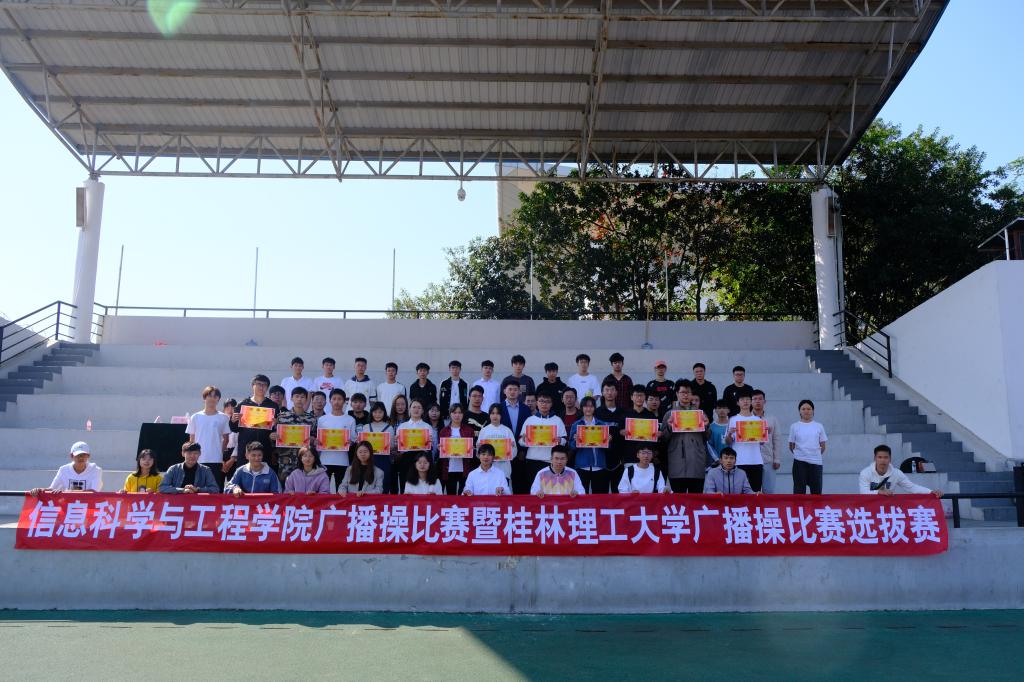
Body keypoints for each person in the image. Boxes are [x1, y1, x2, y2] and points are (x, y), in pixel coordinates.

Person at [661, 381, 708, 493]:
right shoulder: (669, 414)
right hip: (677, 464)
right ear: (677, 394)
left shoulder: (700, 414)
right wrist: (669, 427)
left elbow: (707, 437)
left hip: (696, 463)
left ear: (691, 394)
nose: (685, 395)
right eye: (682, 392)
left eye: (688, 392)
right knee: (678, 500)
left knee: (696, 500)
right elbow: (663, 439)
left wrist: (706, 426)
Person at [229, 374, 279, 472]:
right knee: (244, 475)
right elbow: (234, 429)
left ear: (267, 388)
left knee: (263, 475)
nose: (261, 387)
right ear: (253, 385)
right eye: (258, 384)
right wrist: (233, 421)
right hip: (246, 448)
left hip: (264, 448)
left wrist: (275, 425)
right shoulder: (242, 404)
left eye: (264, 385)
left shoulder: (273, 406)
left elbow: (275, 429)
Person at [186, 385, 232, 490]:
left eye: (215, 396)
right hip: (198, 459)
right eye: (209, 396)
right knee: (197, 489)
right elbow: (191, 439)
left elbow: (226, 439)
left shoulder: (223, 417)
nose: (212, 398)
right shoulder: (195, 417)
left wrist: (220, 453)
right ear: (204, 398)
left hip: (216, 460)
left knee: (216, 489)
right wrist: (192, 455)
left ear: (218, 399)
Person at [568, 396, 613, 494]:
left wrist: (608, 441)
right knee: (582, 496)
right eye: (586, 406)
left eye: (591, 406)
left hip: (599, 465)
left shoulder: (602, 424)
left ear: (594, 408)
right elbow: (571, 446)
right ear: (581, 408)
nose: (588, 409)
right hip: (582, 466)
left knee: (599, 497)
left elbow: (608, 448)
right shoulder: (576, 425)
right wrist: (575, 441)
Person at [519, 393, 567, 485]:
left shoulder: (557, 420)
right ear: (537, 403)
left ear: (551, 404)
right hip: (532, 460)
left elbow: (564, 440)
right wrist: (524, 440)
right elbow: (520, 441)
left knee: (549, 488)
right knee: (534, 489)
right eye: (541, 401)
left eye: (547, 402)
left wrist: (560, 440)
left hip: (550, 461)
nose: (544, 404)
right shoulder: (530, 420)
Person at [274, 386, 318, 485]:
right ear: (291, 398)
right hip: (285, 460)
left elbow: (315, 438)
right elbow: (274, 438)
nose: (299, 399)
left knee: (303, 486)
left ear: (306, 400)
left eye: (302, 397)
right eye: (297, 396)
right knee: (284, 486)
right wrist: (273, 437)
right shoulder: (282, 417)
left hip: (304, 461)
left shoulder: (311, 419)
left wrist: (313, 439)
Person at [859, 445, 942, 497]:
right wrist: (879, 492)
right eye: (879, 457)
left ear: (890, 459)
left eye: (885, 457)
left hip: (887, 507)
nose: (882, 460)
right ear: (875, 458)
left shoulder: (896, 473)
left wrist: (931, 492)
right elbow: (863, 492)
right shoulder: (865, 473)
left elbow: (912, 487)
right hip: (869, 507)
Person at [725, 386, 766, 492]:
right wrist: (729, 434)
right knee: (738, 492)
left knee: (756, 492)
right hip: (739, 461)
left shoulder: (758, 420)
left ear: (751, 402)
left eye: (748, 399)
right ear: (738, 403)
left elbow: (762, 443)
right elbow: (728, 442)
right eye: (742, 399)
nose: (746, 402)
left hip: (756, 460)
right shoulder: (733, 420)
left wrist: (764, 433)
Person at [318, 388, 357, 492]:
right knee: (323, 491)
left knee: (342, 491)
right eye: (334, 399)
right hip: (324, 460)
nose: (336, 402)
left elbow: (353, 439)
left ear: (344, 401)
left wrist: (350, 442)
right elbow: (318, 439)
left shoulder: (350, 420)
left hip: (342, 460)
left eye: (339, 399)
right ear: (330, 400)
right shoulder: (322, 419)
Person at [31, 441, 103, 496]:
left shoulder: (96, 470)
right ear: (71, 456)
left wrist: (69, 491)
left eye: (84, 455)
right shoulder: (63, 470)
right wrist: (39, 490)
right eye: (78, 455)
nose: (81, 458)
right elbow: (51, 489)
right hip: (68, 507)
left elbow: (94, 492)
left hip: (88, 506)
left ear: (88, 456)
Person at [789, 399, 828, 495]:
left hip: (816, 463)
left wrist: (814, 454)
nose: (806, 411)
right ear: (799, 411)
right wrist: (801, 454)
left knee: (816, 492)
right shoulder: (794, 426)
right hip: (799, 462)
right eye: (803, 409)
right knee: (799, 492)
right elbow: (791, 446)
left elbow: (823, 446)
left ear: (813, 411)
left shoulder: (819, 426)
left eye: (809, 409)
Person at [395, 398, 436, 486]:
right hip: (406, 459)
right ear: (409, 409)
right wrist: (397, 443)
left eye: (419, 407)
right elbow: (398, 449)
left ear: (423, 411)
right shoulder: (402, 427)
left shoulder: (427, 427)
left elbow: (430, 447)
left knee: (422, 485)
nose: (416, 410)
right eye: (414, 407)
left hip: (422, 459)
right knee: (405, 485)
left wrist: (430, 442)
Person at [500, 380, 531, 494]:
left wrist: (523, 450)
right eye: (510, 389)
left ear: (519, 392)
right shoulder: (498, 408)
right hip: (503, 453)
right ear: (504, 391)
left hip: (520, 453)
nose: (512, 392)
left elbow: (528, 431)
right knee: (503, 483)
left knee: (520, 484)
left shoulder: (525, 409)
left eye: (515, 389)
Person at [360, 401, 397, 494]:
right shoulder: (366, 427)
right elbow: (362, 445)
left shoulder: (389, 428)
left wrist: (390, 445)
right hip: (368, 460)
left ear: (384, 413)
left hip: (383, 460)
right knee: (367, 483)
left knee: (384, 484)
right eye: (375, 412)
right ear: (371, 413)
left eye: (380, 412)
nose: (377, 414)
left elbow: (392, 446)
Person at [438, 404, 475, 495]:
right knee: (451, 496)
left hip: (465, 468)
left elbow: (472, 450)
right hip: (449, 468)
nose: (457, 415)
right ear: (450, 414)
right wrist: (440, 449)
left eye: (460, 413)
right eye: (454, 413)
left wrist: (471, 448)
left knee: (463, 496)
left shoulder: (469, 430)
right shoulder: (443, 431)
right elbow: (441, 452)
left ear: (463, 414)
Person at [752, 389, 784, 494]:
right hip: (751, 460)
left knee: (768, 491)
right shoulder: (746, 419)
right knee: (752, 492)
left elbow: (777, 439)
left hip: (768, 459)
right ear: (751, 401)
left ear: (765, 401)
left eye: (760, 399)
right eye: (755, 399)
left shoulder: (772, 419)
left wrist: (777, 459)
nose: (757, 401)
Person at [596, 379, 625, 487]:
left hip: (619, 460)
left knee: (618, 492)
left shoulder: (624, 412)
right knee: (601, 493)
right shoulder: (596, 412)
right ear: (602, 393)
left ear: (616, 392)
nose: (609, 393)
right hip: (600, 460)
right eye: (607, 390)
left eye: (612, 390)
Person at [477, 403, 516, 482]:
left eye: (498, 413)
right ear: (489, 415)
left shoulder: (507, 430)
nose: (495, 416)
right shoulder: (484, 431)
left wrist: (511, 448)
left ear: (501, 415)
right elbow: (479, 453)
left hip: (504, 470)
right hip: (487, 469)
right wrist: (479, 447)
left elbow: (514, 452)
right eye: (492, 413)